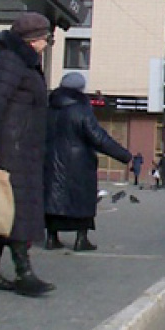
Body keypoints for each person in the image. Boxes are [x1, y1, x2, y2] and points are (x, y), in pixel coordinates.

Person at [0, 12, 55, 298]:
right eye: (46, 38)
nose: (47, 43)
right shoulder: (8, 63)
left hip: (22, 148)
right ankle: (24, 273)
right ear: (33, 40)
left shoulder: (23, 64)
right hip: (10, 150)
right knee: (16, 212)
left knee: (2, 212)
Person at [44, 72, 132, 252]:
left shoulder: (49, 108)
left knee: (54, 199)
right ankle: (81, 239)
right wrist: (124, 155)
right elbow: (98, 138)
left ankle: (52, 238)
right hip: (79, 165)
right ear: (80, 89)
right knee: (82, 200)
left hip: (51, 162)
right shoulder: (81, 110)